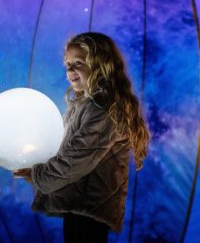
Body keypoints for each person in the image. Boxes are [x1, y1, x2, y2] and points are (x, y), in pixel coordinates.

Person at [14, 32, 150, 243]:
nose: (70, 70)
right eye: (68, 64)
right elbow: (63, 146)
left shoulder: (103, 109)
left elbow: (76, 159)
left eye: (78, 63)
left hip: (90, 208)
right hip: (81, 205)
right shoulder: (83, 105)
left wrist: (39, 175)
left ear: (101, 65)